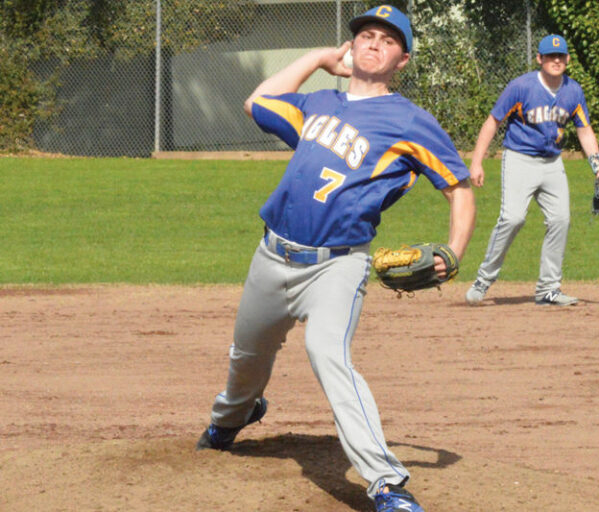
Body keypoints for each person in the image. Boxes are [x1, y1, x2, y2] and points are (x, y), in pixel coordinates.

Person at [195, 5, 475, 512]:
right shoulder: (319, 102)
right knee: (246, 358)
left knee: (329, 355)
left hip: (337, 266)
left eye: (386, 40)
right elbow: (257, 101)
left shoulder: (410, 121)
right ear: (351, 48)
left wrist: (455, 250)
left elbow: (458, 186)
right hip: (272, 255)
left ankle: (386, 483)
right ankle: (235, 415)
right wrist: (319, 58)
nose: (372, 43)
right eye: (365, 35)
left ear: (402, 59)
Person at [465, 34, 599, 306]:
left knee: (560, 220)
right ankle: (483, 280)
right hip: (519, 159)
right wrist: (476, 161)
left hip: (552, 163)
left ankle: (548, 289)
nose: (556, 61)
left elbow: (585, 132)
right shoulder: (521, 87)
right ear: (539, 59)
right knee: (512, 218)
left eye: (560, 56)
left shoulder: (573, 91)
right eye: (549, 56)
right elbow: (492, 122)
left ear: (567, 59)